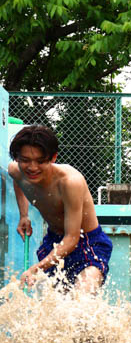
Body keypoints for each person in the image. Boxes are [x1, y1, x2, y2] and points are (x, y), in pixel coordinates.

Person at [8, 124, 112, 291]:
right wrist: (23, 215)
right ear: (17, 158)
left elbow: (72, 238)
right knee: (55, 306)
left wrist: (36, 269)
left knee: (81, 303)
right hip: (54, 241)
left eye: (40, 161)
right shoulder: (16, 170)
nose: (32, 168)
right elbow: (18, 181)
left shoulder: (70, 182)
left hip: (87, 242)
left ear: (53, 157)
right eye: (25, 160)